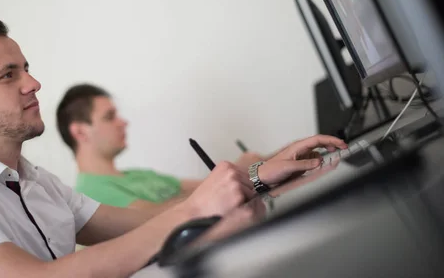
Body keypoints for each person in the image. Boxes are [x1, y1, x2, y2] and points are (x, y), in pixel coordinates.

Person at [0, 12, 346, 278]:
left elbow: (142, 224)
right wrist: (196, 209)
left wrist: (257, 177)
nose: (34, 83)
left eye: (25, 68)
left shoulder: (36, 182)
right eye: (8, 75)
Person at [57, 84, 339, 214]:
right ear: (80, 131)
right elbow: (164, 219)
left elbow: (210, 186)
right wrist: (251, 171)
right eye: (109, 117)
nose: (123, 122)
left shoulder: (134, 176)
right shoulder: (92, 193)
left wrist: (280, 155)